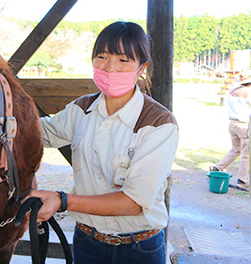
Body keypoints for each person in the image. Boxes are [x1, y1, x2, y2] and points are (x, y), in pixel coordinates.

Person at [26, 21, 179, 264]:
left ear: (142, 68)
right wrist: (2, 114)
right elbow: (40, 133)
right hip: (87, 241)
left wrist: (62, 200)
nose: (110, 68)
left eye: (124, 60)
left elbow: (133, 202)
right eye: (102, 57)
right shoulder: (81, 109)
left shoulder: (158, 124)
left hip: (139, 248)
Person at [210, 74, 251, 189]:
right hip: (243, 125)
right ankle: (242, 180)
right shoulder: (248, 92)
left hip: (232, 123)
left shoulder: (233, 91)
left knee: (235, 149)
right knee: (246, 154)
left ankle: (218, 167)